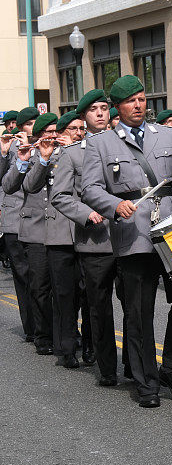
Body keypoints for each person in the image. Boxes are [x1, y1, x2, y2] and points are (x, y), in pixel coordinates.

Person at [82, 74, 172, 408]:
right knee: (138, 311)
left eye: (142, 99)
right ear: (118, 107)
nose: (138, 105)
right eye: (131, 101)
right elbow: (90, 188)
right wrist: (114, 205)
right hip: (134, 234)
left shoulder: (168, 135)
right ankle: (145, 382)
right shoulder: (100, 144)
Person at [52, 89, 121, 386]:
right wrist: (85, 213)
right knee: (99, 306)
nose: (101, 113)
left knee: (134, 308)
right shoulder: (72, 154)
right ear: (84, 117)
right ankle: (107, 368)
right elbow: (60, 195)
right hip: (95, 240)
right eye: (94, 109)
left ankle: (135, 366)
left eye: (104, 108)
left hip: (130, 236)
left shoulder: (126, 144)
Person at [23, 111, 90, 369]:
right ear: (61, 132)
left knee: (86, 294)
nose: (77, 133)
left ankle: (88, 343)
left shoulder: (87, 152)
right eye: (72, 129)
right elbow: (30, 185)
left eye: (80, 129)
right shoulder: (48, 155)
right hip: (59, 232)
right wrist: (45, 157)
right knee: (62, 293)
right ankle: (66, 347)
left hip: (86, 229)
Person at [4, 112, 57, 360]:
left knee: (67, 287)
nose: (52, 136)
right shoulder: (24, 151)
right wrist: (13, 156)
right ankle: (40, 332)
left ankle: (65, 332)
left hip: (62, 228)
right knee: (36, 284)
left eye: (56, 131)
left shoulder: (66, 151)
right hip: (29, 226)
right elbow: (10, 184)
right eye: (47, 132)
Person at [0, 107, 36, 346]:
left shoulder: (50, 145)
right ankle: (32, 327)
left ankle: (48, 325)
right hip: (14, 221)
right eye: (28, 123)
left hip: (38, 221)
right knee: (23, 277)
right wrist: (4, 154)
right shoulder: (10, 147)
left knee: (42, 278)